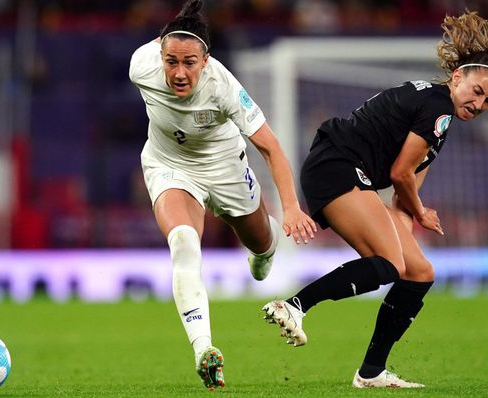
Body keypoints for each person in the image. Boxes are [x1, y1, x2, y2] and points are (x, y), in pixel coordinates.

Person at [262, 10, 488, 388]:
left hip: (341, 170)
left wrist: (410, 219)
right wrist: (421, 213)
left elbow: (402, 197)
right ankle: (294, 306)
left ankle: (371, 372)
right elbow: (400, 177)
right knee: (390, 265)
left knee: (419, 272)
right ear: (457, 78)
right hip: (339, 166)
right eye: (477, 92)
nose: (479, 104)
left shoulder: (438, 116)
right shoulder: (438, 111)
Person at [128, 0, 317, 390]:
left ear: (206, 60)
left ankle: (261, 255)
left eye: (189, 63)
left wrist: (292, 209)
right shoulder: (140, 64)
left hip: (227, 171)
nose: (179, 73)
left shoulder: (224, 86)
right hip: (170, 166)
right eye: (171, 61)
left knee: (264, 247)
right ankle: (204, 350)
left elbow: (272, 148)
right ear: (160, 53)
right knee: (182, 242)